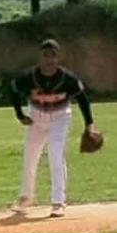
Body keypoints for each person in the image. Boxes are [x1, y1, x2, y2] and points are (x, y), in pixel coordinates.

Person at [10, 38, 98, 217]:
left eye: (53, 55)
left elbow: (82, 99)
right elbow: (13, 90)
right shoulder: (29, 77)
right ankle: (26, 197)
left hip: (60, 118)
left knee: (56, 154)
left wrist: (89, 124)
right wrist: (20, 114)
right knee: (30, 156)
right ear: (39, 58)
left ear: (58, 58)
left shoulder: (68, 78)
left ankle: (58, 201)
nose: (49, 60)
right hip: (36, 118)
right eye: (45, 55)